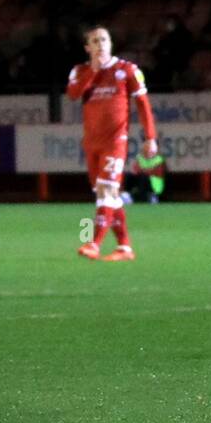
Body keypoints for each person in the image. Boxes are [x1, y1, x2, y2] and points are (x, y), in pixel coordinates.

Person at [67, 25, 158, 261]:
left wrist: (150, 137)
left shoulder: (127, 70)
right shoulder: (79, 71)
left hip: (115, 141)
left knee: (106, 189)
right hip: (92, 143)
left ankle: (94, 244)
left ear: (111, 43)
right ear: (88, 47)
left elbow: (143, 104)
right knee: (109, 194)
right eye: (95, 41)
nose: (100, 45)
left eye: (104, 40)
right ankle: (124, 247)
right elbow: (73, 94)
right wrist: (93, 72)